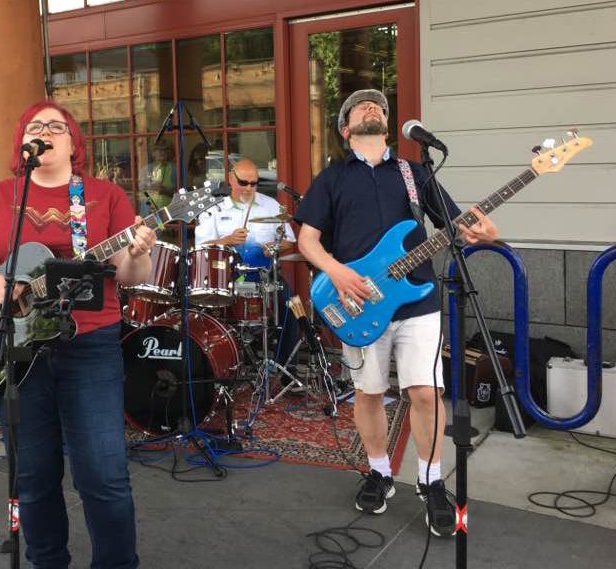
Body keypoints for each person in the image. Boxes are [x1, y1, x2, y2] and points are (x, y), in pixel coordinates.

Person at [0, 100, 154, 568]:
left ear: (73, 143)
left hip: (90, 345)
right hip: (18, 351)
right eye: (36, 126)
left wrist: (136, 253)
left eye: (56, 126)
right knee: (32, 476)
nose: (46, 131)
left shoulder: (104, 196)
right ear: (22, 143)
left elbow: (130, 275)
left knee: (104, 474)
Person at [294, 89, 498, 536]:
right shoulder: (332, 178)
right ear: (345, 129)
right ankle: (379, 471)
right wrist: (337, 272)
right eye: (360, 105)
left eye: (379, 106)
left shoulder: (414, 172)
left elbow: (456, 226)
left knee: (425, 392)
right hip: (357, 302)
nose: (373, 106)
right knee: (369, 393)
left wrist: (480, 231)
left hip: (418, 300)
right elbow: (307, 240)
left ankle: (430, 481)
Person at [194, 158, 296, 265]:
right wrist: (227, 240)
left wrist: (273, 247)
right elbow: (201, 247)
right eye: (243, 183)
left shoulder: (271, 205)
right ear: (231, 178)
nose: (248, 188)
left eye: (253, 184)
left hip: (263, 272)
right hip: (224, 272)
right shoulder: (213, 208)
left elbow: (289, 241)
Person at [140, 139, 176, 215]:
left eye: (165, 150)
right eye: (159, 149)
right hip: (149, 213)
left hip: (170, 213)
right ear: (153, 152)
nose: (162, 152)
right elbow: (141, 191)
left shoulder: (174, 169)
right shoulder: (146, 169)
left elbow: (180, 192)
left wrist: (164, 190)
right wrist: (149, 187)